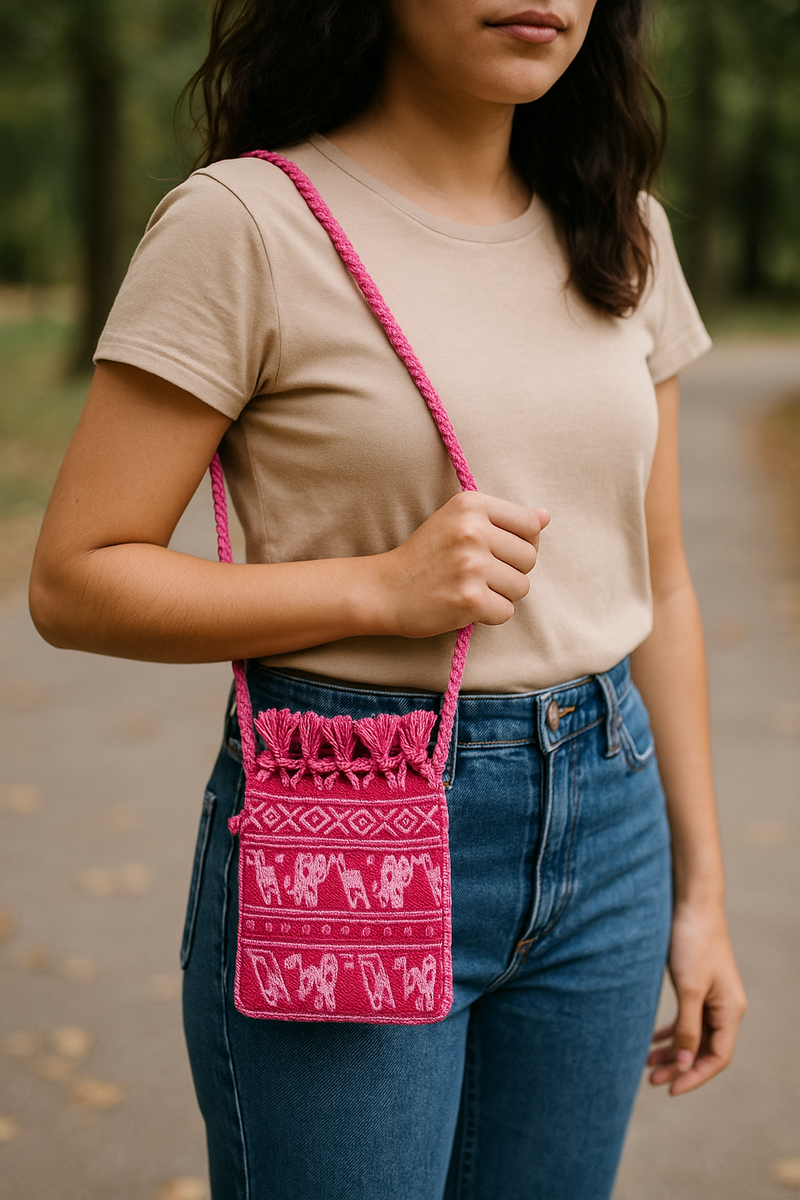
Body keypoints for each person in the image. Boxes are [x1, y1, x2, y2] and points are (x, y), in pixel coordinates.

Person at [29, 1, 747, 1197]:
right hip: (349, 808)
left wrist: (700, 896)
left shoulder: (621, 229)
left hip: (610, 828)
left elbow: (657, 582)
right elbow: (75, 578)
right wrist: (379, 585)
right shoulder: (245, 224)